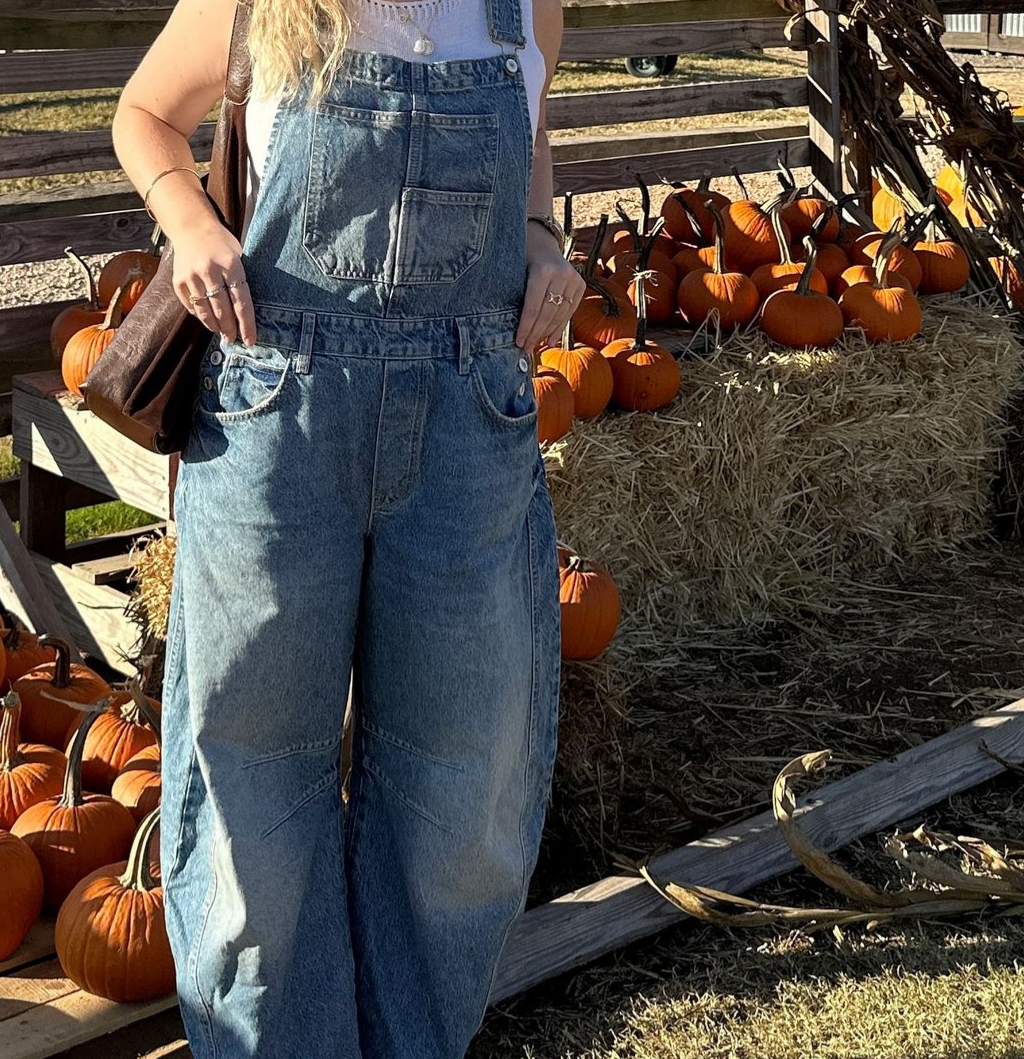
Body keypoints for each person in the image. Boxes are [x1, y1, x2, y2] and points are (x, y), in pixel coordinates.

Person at [111, 0, 582, 1054]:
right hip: (276, 423)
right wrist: (190, 224)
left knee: (462, 775)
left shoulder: (523, 8)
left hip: (469, 423)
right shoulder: (255, 5)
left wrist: (546, 240)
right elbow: (143, 111)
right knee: (252, 767)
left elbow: (535, 141)